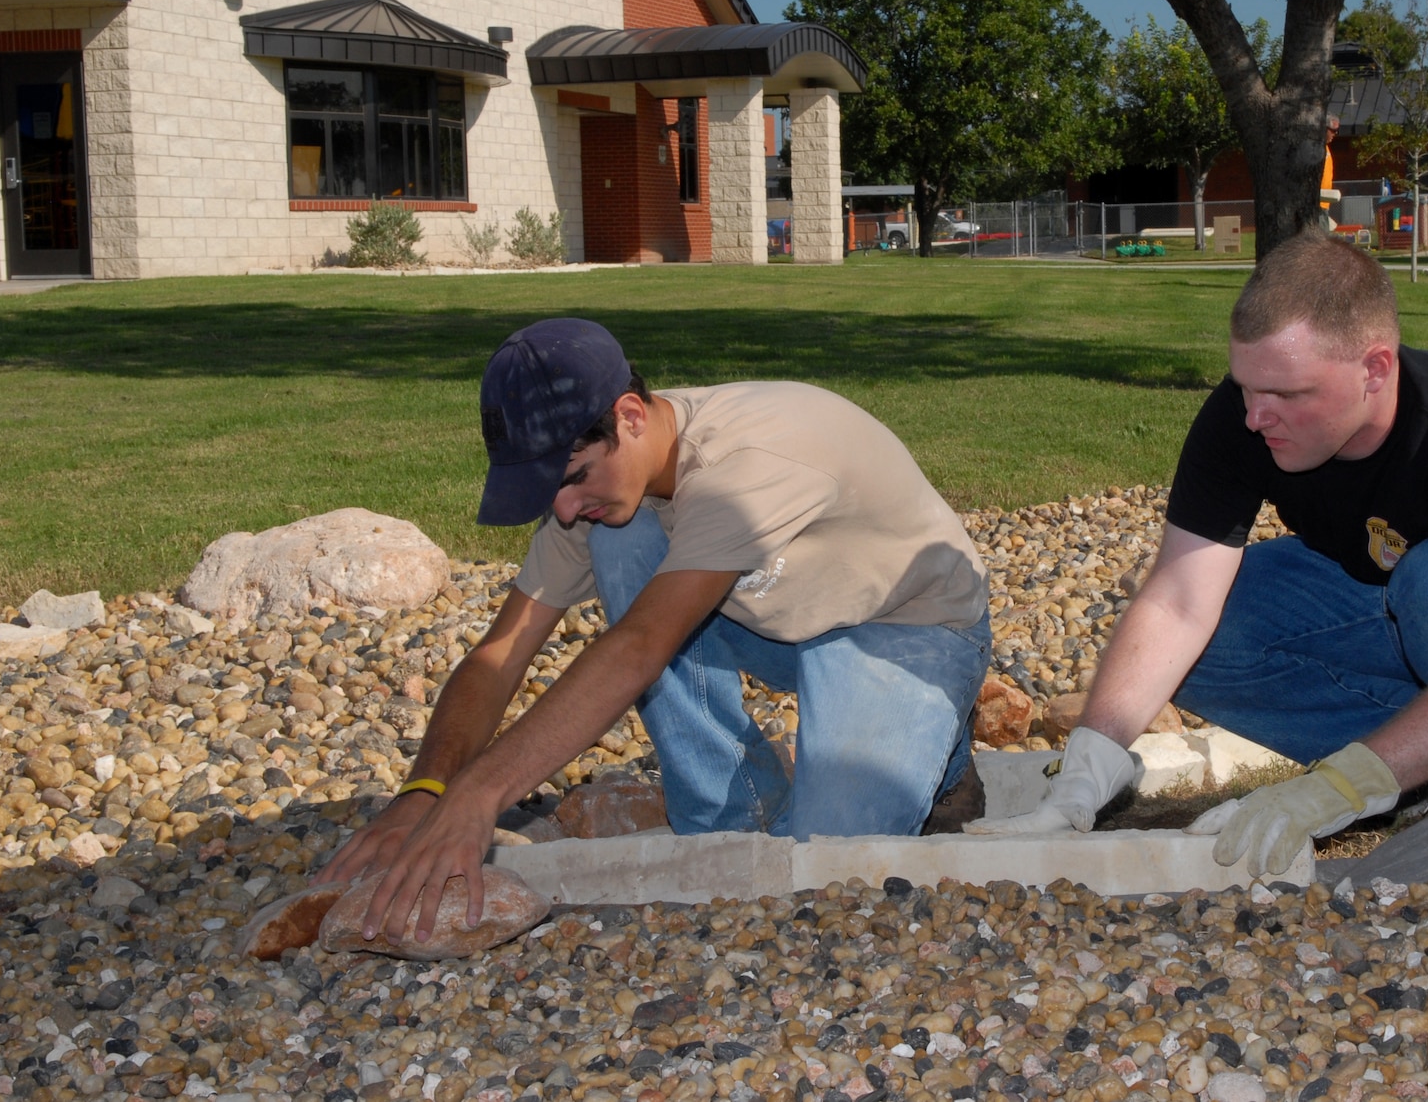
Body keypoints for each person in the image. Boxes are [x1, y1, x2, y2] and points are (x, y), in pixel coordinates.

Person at [970, 233, 1428, 879]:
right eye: (1247, 387)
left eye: (1287, 394)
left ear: (1375, 369)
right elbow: (1176, 603)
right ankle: (1418, 764)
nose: (1256, 416)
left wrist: (1334, 789)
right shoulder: (1243, 415)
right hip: (1385, 590)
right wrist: (1086, 770)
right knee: (1194, 645)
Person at [323, 318, 992, 940]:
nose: (561, 508)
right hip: (782, 613)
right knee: (619, 537)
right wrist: (428, 789)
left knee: (824, 872)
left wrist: (480, 792)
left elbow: (640, 646)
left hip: (907, 625)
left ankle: (944, 755)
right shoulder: (601, 489)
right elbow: (498, 655)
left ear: (630, 416)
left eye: (574, 477)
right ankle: (731, 811)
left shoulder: (746, 465)